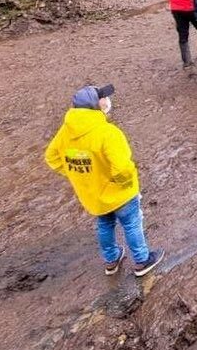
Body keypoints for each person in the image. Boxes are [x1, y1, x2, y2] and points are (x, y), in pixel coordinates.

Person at [44, 84, 164, 278]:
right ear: (95, 106)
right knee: (132, 224)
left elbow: (52, 157)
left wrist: (78, 174)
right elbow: (122, 167)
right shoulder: (108, 132)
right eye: (103, 98)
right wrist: (126, 187)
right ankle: (142, 260)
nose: (107, 101)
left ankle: (111, 260)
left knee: (104, 225)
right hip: (120, 193)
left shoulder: (65, 132)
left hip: (93, 194)